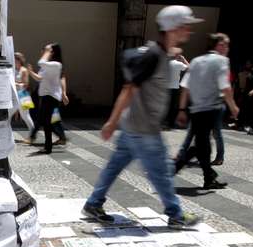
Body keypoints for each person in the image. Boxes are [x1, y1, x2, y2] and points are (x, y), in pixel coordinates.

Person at [82, 5, 202, 227]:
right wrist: (111, 121)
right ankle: (175, 214)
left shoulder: (161, 53)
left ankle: (93, 202)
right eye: (185, 26)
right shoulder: (154, 56)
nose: (189, 31)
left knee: (114, 167)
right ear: (173, 28)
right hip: (144, 128)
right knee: (161, 172)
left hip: (133, 126)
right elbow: (129, 89)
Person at [174, 33, 239, 188]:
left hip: (196, 109)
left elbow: (185, 87)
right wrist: (233, 106)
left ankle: (209, 177)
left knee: (202, 144)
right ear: (219, 45)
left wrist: (182, 109)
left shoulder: (196, 61)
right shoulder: (222, 61)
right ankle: (174, 169)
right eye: (226, 45)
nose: (228, 48)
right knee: (201, 145)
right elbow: (225, 86)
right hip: (212, 109)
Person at [27, 43, 68, 154]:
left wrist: (47, 51)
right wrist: (31, 72)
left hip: (52, 96)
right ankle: (49, 145)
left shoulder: (56, 64)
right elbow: (39, 78)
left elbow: (40, 62)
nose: (44, 51)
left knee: (47, 121)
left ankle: (48, 145)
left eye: (47, 49)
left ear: (52, 52)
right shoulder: (48, 66)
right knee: (47, 121)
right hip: (45, 96)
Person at [165, 48, 189, 129]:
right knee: (172, 107)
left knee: (166, 105)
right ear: (177, 55)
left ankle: (163, 122)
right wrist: (183, 59)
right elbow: (190, 68)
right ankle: (170, 124)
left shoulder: (166, 63)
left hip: (165, 88)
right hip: (174, 88)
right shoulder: (178, 64)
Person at [14, 52, 35, 135]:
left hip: (23, 96)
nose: (13, 61)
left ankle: (33, 134)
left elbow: (26, 84)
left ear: (19, 60)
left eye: (15, 59)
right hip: (14, 95)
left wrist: (16, 84)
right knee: (8, 116)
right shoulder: (12, 69)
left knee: (26, 116)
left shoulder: (24, 70)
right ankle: (6, 137)